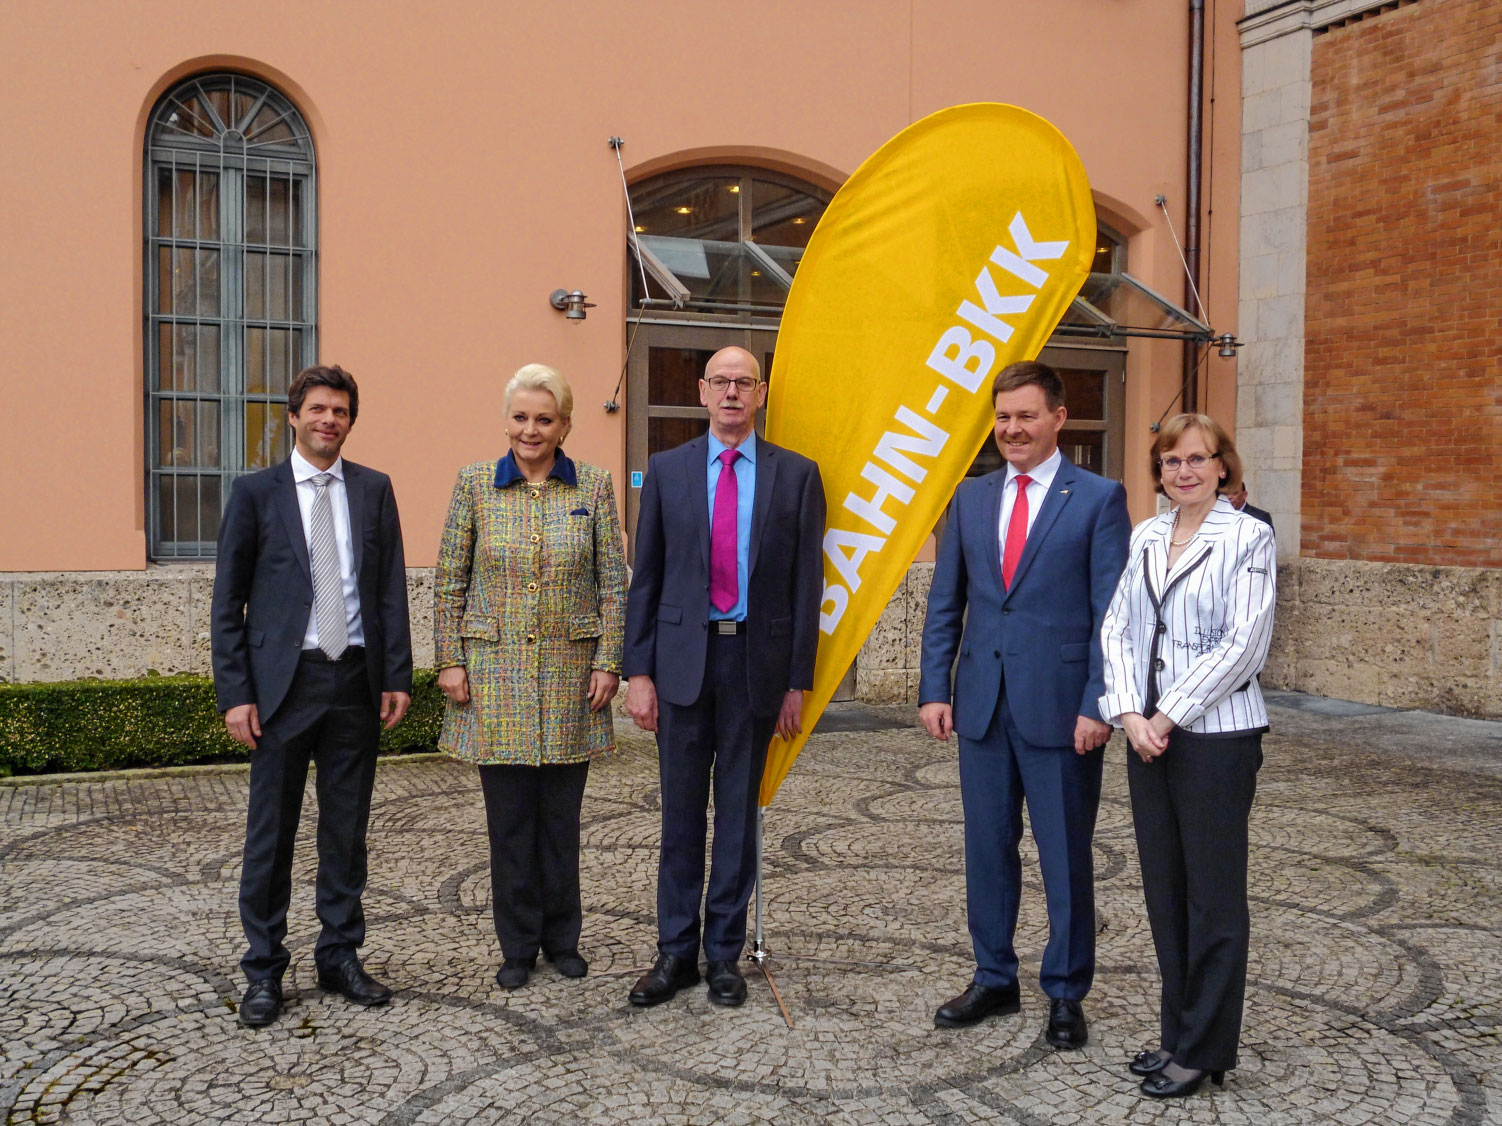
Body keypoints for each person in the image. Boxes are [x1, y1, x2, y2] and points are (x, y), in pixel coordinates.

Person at [918, 360, 1130, 1047]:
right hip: (981, 705)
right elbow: (946, 602)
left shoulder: (1097, 498)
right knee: (988, 849)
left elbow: (1112, 614)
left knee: (1065, 855)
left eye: (1026, 416)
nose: (1013, 429)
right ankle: (994, 978)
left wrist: (1100, 702)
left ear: (1058, 419)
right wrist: (933, 688)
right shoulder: (969, 497)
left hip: (1063, 711)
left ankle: (1066, 992)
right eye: (1004, 417)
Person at [211, 363, 413, 1028]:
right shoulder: (255, 494)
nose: (330, 420)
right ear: (293, 416)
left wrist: (395, 676)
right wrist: (236, 693)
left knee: (345, 833)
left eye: (342, 412)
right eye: (319, 409)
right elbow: (227, 603)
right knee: (270, 835)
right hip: (281, 689)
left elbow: (389, 592)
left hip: (354, 681)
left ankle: (339, 955)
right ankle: (264, 968)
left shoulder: (374, 490)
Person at [623, 346, 825, 1008]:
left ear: (761, 394)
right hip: (682, 663)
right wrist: (638, 671)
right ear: (702, 392)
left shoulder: (797, 477)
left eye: (744, 382)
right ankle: (674, 952)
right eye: (721, 382)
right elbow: (646, 579)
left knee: (737, 816)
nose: (732, 392)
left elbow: (805, 584)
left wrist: (797, 679)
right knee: (681, 816)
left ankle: (722, 956)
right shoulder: (668, 471)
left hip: (754, 666)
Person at [1099, 413, 1276, 1098]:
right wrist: (1127, 713)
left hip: (1218, 738)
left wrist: (1164, 714)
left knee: (1214, 899)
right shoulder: (1145, 536)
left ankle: (1205, 1049)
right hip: (1148, 736)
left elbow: (1243, 646)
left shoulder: (1248, 537)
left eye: (1198, 459)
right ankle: (1177, 1033)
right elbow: (1117, 627)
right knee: (1166, 892)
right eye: (1172, 461)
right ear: (1160, 471)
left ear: (1222, 466)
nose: (1185, 472)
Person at [433, 364, 626, 990]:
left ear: (565, 424)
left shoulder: (593, 488)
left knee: (561, 822)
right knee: (510, 822)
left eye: (544, 419)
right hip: (496, 679)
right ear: (507, 420)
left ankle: (562, 938)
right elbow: (450, 581)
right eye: (520, 417)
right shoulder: (474, 487)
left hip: (573, 678)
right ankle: (516, 945)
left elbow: (612, 585)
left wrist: (608, 662)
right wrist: (450, 658)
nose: (530, 430)